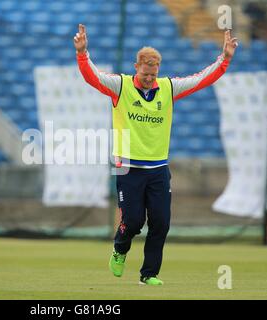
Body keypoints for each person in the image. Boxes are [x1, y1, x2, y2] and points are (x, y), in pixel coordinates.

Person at [73, 24, 238, 285]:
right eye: (146, 73)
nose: (150, 78)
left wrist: (225, 58)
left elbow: (202, 79)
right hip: (127, 167)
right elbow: (92, 77)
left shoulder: (168, 88)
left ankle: (148, 274)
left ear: (158, 69)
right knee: (134, 220)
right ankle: (119, 249)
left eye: (154, 73)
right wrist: (83, 53)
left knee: (161, 223)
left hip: (158, 169)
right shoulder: (120, 86)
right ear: (136, 67)